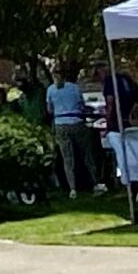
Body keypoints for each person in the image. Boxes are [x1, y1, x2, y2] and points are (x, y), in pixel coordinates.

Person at [45, 65, 103, 197]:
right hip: (76, 121)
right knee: (87, 154)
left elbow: (49, 109)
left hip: (60, 123)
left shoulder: (51, 89)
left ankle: (72, 188)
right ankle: (95, 183)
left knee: (68, 158)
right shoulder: (74, 88)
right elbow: (81, 105)